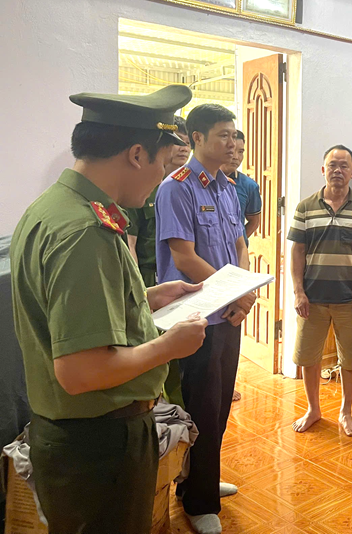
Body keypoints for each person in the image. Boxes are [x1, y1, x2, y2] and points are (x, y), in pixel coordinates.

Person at [10, 85, 208, 534]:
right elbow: (81, 372)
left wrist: (147, 297)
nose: (161, 176)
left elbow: (69, 311)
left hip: (79, 437)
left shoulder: (55, 208)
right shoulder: (86, 231)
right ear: (137, 155)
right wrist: (169, 346)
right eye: (162, 162)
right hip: (99, 445)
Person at [155, 103, 256, 534]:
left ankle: (202, 480)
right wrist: (233, 294)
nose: (232, 143)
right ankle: (198, 502)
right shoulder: (176, 188)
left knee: (219, 405)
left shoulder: (227, 187)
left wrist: (244, 292)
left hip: (228, 314)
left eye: (234, 135)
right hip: (197, 318)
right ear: (196, 138)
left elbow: (240, 245)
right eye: (222, 135)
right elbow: (183, 257)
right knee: (199, 408)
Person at [287, 145, 352, 437]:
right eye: (332, 165)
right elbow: (297, 251)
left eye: (343, 166)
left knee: (351, 360)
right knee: (308, 357)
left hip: (351, 300)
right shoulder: (306, 207)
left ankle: (346, 411)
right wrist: (298, 291)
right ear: (323, 170)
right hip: (312, 299)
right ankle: (313, 410)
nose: (337, 170)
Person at [125, 115, 191, 287]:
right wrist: (137, 288)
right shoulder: (143, 189)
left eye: (188, 143)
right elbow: (130, 243)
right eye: (179, 142)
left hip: (185, 274)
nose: (184, 148)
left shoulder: (190, 189)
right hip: (150, 276)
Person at [220, 129, 262, 403]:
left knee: (231, 325)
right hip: (209, 265)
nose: (236, 155)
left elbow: (253, 222)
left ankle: (227, 383)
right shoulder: (195, 184)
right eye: (232, 149)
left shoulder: (248, 185)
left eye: (241, 151)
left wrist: (239, 242)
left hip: (237, 261)